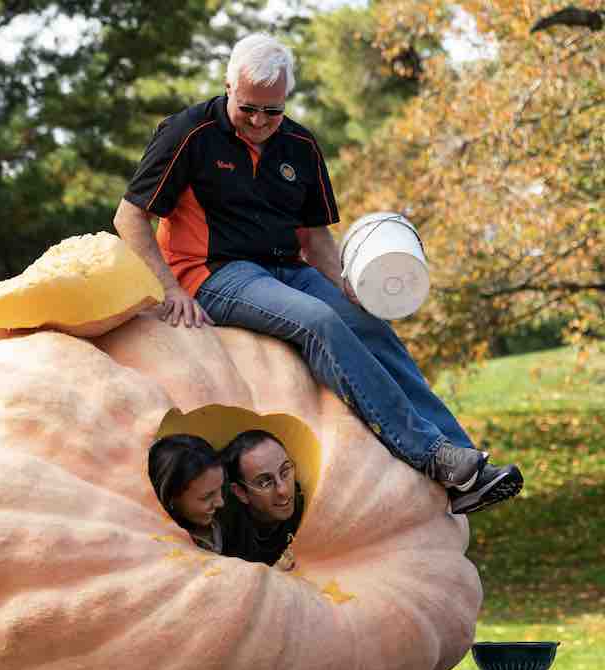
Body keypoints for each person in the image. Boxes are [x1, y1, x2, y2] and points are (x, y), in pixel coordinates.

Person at [116, 33, 522, 515]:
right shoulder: (187, 133)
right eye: (249, 108)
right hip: (215, 273)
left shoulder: (301, 145)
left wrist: (344, 284)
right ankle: (430, 454)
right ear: (228, 85)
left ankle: (466, 467)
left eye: (273, 111)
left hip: (289, 267)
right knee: (318, 321)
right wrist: (167, 289)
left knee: (367, 325)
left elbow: (316, 238)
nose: (260, 121)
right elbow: (129, 217)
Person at [220, 430, 304, 568]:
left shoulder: (308, 508)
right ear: (241, 493)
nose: (283, 490)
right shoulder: (221, 528)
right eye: (265, 482)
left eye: (285, 472)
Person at [148, 434, 226, 553]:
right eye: (207, 496)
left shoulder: (226, 517)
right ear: (170, 498)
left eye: (221, 487)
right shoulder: (157, 547)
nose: (221, 502)